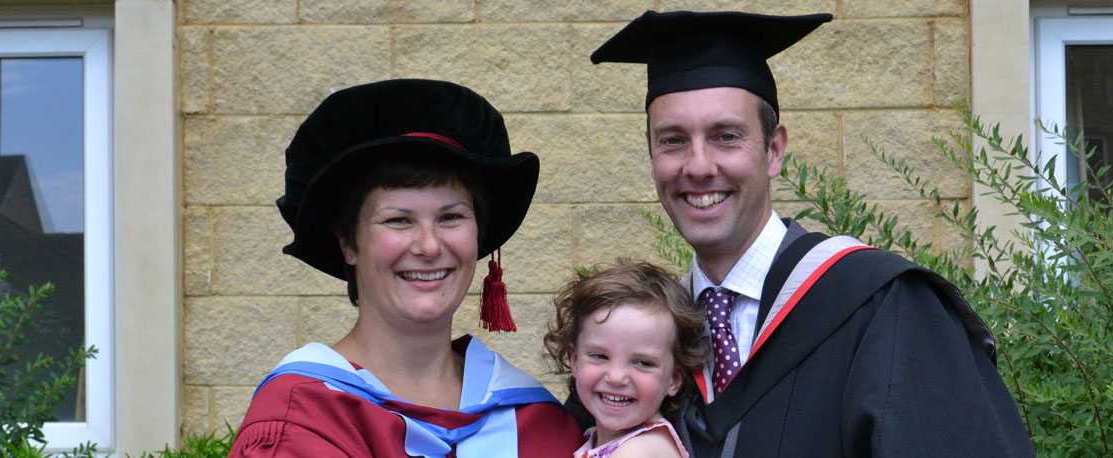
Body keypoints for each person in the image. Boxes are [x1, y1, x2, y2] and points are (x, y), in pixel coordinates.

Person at [590, 11, 1036, 457]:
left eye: (726, 136)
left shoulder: (884, 308)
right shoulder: (642, 341)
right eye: (672, 140)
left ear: (775, 150)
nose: (700, 166)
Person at [228, 79, 583, 457]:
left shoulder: (535, 422)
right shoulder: (301, 419)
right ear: (348, 243)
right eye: (399, 220)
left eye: (451, 217)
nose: (429, 246)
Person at [544, 260, 708, 458]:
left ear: (674, 379)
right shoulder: (600, 438)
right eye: (600, 356)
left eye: (643, 363)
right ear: (575, 359)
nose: (616, 377)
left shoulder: (641, 451)